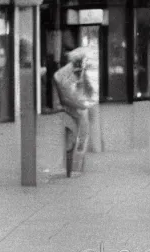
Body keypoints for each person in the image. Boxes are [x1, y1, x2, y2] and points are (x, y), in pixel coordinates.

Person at [53, 47, 98, 175]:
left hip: (77, 108)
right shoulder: (62, 75)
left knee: (81, 138)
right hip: (68, 110)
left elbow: (87, 90)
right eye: (81, 61)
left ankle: (77, 167)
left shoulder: (79, 71)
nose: (83, 63)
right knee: (72, 139)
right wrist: (80, 104)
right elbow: (64, 99)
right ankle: (71, 169)